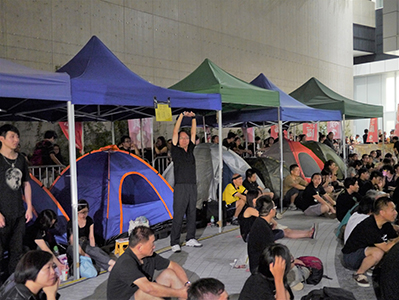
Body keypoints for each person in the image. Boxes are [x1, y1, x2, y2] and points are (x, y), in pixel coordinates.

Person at [107, 226, 189, 300]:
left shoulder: (149, 256)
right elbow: (148, 288)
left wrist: (187, 284)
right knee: (147, 292)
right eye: (152, 243)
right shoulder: (125, 263)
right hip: (129, 297)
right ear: (140, 247)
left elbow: (172, 265)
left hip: (141, 293)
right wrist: (179, 292)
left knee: (169, 274)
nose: (154, 246)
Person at [342, 197, 399, 287]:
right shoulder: (369, 226)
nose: (396, 213)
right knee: (379, 252)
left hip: (365, 252)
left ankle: (370, 266)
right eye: (392, 210)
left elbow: (393, 240)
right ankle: (359, 273)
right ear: (382, 212)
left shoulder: (385, 223)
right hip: (350, 257)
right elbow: (387, 248)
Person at [0, 124, 33, 283]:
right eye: (12, 136)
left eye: (17, 136)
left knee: (17, 251)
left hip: (19, 212)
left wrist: (29, 207)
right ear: (2, 139)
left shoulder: (21, 159)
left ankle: (12, 284)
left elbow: (26, 184)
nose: (16, 140)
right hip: (2, 213)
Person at [170, 112, 202, 253]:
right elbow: (175, 130)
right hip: (180, 186)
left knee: (192, 212)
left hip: (192, 185)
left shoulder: (190, 150)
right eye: (182, 138)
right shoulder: (176, 150)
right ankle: (175, 242)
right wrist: (182, 116)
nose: (185, 140)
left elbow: (194, 131)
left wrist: (193, 118)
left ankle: (190, 238)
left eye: (187, 138)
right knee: (178, 213)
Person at [238, 190, 315, 244]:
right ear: (254, 200)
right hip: (250, 236)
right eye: (260, 196)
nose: (262, 197)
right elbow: (264, 216)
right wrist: (275, 224)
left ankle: (307, 233)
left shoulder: (254, 208)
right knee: (285, 232)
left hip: (256, 233)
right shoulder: (249, 209)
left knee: (285, 230)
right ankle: (308, 234)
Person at [67, 199, 115, 272]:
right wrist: (84, 253)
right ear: (77, 212)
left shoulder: (89, 220)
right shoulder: (72, 222)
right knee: (88, 249)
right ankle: (112, 263)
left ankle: (109, 267)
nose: (84, 215)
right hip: (75, 245)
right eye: (82, 213)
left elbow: (91, 237)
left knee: (95, 250)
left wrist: (94, 248)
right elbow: (73, 241)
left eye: (86, 212)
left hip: (86, 241)